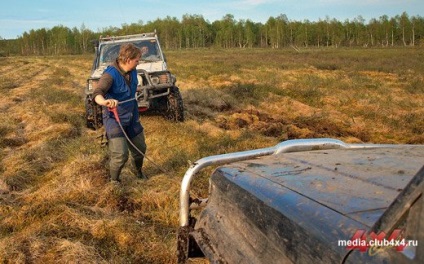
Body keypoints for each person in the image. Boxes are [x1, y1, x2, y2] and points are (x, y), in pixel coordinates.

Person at [93, 43, 147, 182]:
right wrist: (105, 102)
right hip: (114, 119)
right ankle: (114, 181)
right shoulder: (109, 75)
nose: (138, 63)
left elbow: (131, 86)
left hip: (132, 116)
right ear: (128, 60)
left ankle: (138, 172)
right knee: (121, 154)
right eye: (137, 60)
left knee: (140, 149)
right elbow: (97, 94)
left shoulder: (133, 69)